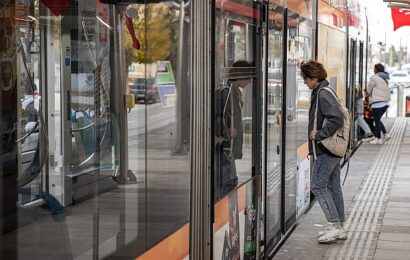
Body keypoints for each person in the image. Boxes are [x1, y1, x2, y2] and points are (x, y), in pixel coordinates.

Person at [300, 60, 347, 243]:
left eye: (305, 78)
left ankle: (334, 224)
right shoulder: (325, 91)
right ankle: (340, 227)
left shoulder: (322, 94)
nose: (304, 82)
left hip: (326, 149)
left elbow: (336, 119)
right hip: (333, 149)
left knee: (318, 185)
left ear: (313, 77)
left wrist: (319, 134)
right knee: (333, 186)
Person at [214, 60, 252, 201]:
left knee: (229, 182)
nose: (249, 81)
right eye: (247, 77)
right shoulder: (228, 91)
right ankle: (221, 216)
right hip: (225, 147)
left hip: (228, 148)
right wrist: (226, 131)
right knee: (229, 182)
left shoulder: (234, 92)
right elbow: (218, 116)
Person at [367, 63, 391, 144]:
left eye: (374, 69)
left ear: (376, 70)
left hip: (377, 103)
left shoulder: (374, 78)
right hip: (385, 103)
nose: (373, 70)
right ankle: (385, 134)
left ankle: (378, 139)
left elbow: (368, 90)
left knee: (376, 121)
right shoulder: (384, 78)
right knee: (377, 120)